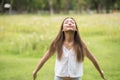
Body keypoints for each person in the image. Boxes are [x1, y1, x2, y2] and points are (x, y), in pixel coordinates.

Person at [33, 17, 106, 80]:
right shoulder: (57, 44)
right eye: (66, 22)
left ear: (76, 29)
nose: (69, 23)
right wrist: (35, 71)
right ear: (62, 29)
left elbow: (93, 60)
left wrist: (101, 72)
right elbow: (44, 59)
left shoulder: (81, 45)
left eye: (72, 22)